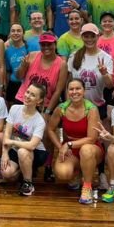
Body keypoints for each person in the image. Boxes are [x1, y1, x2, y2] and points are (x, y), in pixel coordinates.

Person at [15, 31, 68, 182]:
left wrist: (48, 110)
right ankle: (25, 163)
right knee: (20, 132)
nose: (46, 47)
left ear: (55, 44)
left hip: (45, 103)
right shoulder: (32, 56)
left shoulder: (61, 64)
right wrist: (23, 67)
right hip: (24, 98)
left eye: (49, 44)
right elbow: (19, 76)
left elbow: (58, 90)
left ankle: (48, 165)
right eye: (43, 44)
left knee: (47, 132)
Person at [47, 79, 103, 204]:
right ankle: (78, 172)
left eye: (78, 88)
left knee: (86, 150)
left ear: (84, 90)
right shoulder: (61, 108)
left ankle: (87, 186)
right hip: (71, 150)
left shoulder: (91, 109)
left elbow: (92, 138)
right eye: (71, 89)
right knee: (63, 173)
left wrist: (68, 144)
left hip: (91, 148)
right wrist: (60, 147)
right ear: (67, 92)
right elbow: (50, 129)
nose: (74, 92)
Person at [0, 83, 48, 196]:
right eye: (27, 92)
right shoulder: (15, 108)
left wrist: (12, 142)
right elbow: (7, 133)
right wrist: (4, 153)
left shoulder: (39, 121)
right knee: (6, 173)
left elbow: (31, 145)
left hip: (36, 152)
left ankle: (28, 183)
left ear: (39, 101)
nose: (27, 96)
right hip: (16, 148)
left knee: (23, 151)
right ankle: (24, 169)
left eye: (33, 95)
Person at [67, 23, 114, 113]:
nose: (89, 39)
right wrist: (68, 103)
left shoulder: (106, 58)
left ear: (98, 36)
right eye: (86, 36)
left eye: (92, 36)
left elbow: (110, 85)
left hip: (98, 106)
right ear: (82, 37)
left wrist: (104, 73)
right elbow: (69, 82)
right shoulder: (74, 56)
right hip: (77, 106)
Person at [4, 24, 28, 104]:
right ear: (10, 34)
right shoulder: (8, 51)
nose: (16, 33)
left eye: (18, 31)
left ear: (23, 33)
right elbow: (8, 71)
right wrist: (6, 86)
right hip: (13, 83)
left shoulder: (28, 48)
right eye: (13, 31)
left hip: (26, 84)